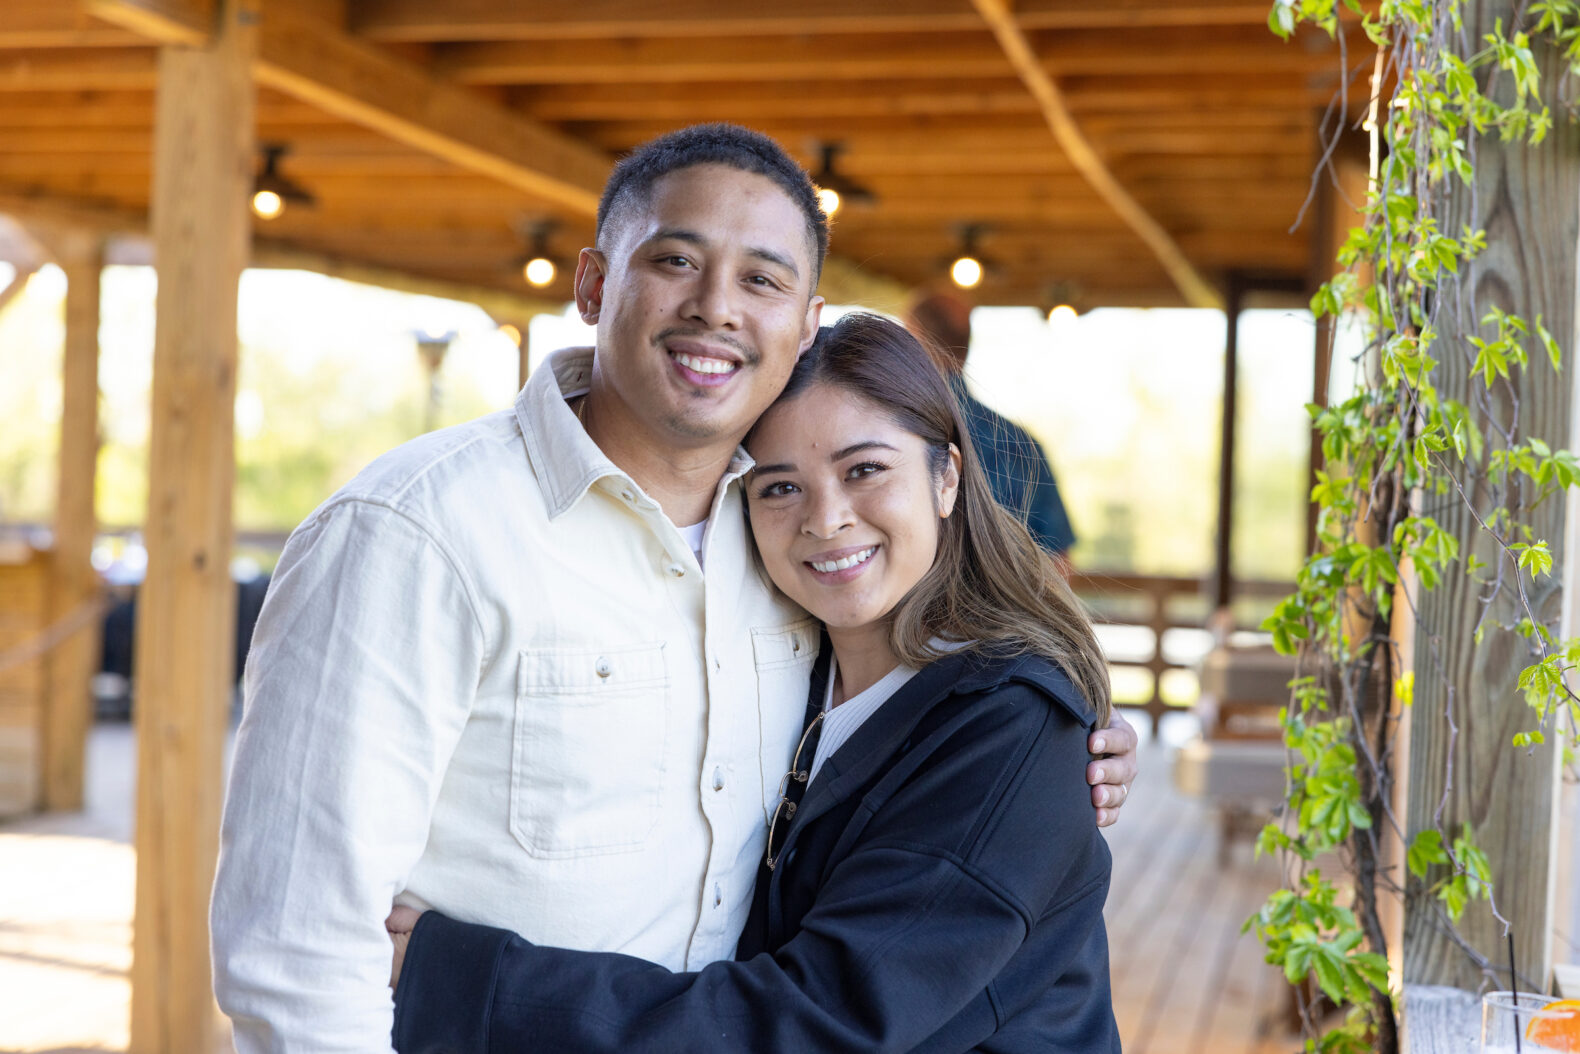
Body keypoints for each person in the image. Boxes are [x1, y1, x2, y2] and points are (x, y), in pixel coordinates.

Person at [211, 123, 1137, 1052]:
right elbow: (299, 953)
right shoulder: (415, 534)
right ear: (592, 284)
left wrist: (1061, 738)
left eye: (763, 279)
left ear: (803, 324)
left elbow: (836, 1000)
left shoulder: (779, 560)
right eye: (676, 259)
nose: (716, 307)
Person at [387, 312, 1120, 1052]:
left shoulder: (1012, 730)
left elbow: (815, 1021)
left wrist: (462, 976)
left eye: (865, 469)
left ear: (946, 477)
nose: (826, 519)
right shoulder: (793, 669)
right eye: (778, 489)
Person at [907, 289, 1078, 565]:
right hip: (1005, 607)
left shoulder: (890, 434)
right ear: (966, 344)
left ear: (914, 337)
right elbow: (1059, 561)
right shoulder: (1021, 444)